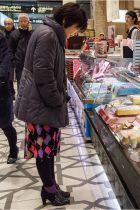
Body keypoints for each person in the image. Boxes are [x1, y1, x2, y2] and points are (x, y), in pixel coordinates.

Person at [15, 3, 87, 206]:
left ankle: (51, 186)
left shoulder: (49, 33)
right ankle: (49, 190)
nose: (74, 33)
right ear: (66, 21)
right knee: (44, 151)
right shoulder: (48, 35)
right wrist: (57, 99)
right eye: (75, 28)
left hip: (42, 104)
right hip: (42, 105)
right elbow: (44, 75)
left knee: (47, 151)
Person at [0, 32, 18, 164]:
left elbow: (5, 60)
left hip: (1, 88)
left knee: (5, 124)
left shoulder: (1, 38)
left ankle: (13, 149)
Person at [9, 13, 32, 89]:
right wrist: (13, 61)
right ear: (18, 22)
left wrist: (29, 32)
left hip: (31, 63)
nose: (23, 23)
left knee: (31, 83)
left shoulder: (33, 33)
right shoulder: (14, 34)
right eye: (21, 21)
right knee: (21, 82)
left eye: (25, 21)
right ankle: (21, 100)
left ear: (28, 22)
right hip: (19, 63)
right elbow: (11, 49)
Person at [3, 18, 16, 99]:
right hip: (3, 58)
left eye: (9, 24)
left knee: (11, 78)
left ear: (12, 24)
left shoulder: (16, 33)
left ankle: (12, 93)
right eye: (6, 24)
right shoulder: (2, 34)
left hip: (12, 59)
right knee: (4, 77)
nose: (7, 26)